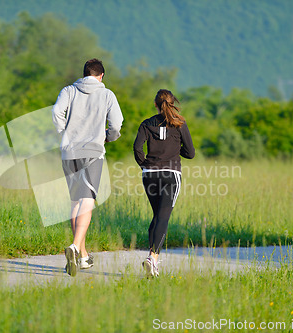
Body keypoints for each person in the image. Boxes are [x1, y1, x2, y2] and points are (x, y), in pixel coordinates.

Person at [52, 58, 123, 276]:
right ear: (101, 76)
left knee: (76, 201)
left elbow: (56, 112)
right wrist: (109, 137)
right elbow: (117, 123)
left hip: (69, 152)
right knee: (87, 201)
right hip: (93, 153)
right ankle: (74, 246)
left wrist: (65, 133)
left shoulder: (69, 90)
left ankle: (82, 256)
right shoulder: (107, 94)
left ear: (84, 74)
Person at [133, 89, 195, 278]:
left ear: (155, 104)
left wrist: (145, 164)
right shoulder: (180, 123)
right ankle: (153, 258)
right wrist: (176, 151)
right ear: (172, 102)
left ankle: (152, 259)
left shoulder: (146, 123)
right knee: (163, 217)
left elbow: (137, 148)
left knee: (156, 216)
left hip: (150, 174)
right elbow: (191, 153)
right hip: (171, 175)